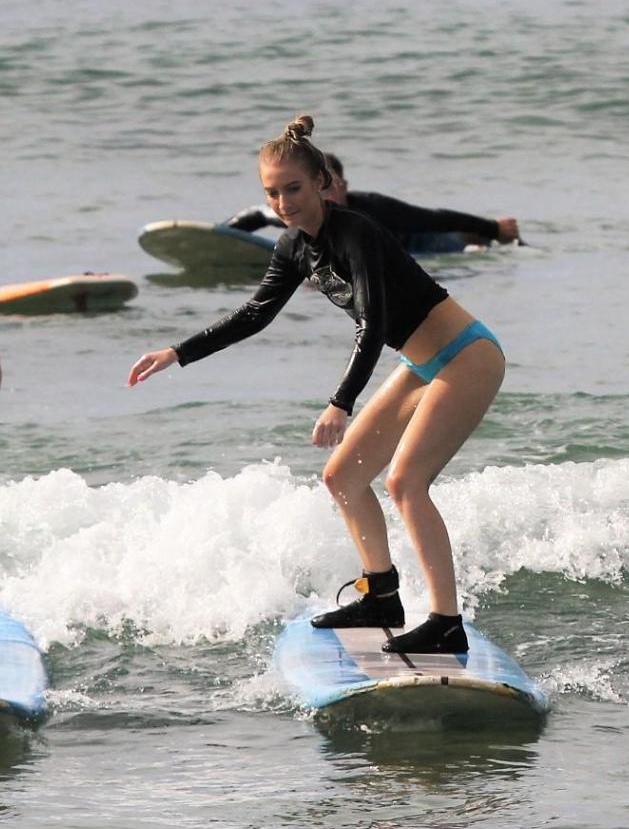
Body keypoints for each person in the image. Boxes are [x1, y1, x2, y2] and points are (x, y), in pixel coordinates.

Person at [129, 115, 506, 654]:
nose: (284, 202)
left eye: (294, 188)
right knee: (343, 476)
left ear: (323, 184)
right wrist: (177, 352)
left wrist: (340, 403)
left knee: (405, 482)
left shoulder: (357, 233)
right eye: (272, 193)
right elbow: (255, 314)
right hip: (424, 365)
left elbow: (373, 323)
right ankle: (381, 594)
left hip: (466, 356)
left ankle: (446, 621)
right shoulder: (293, 247)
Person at [225, 152, 520, 253]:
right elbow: (255, 215)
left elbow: (433, 218)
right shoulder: (295, 212)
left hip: (420, 246)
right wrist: (217, 236)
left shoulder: (372, 208)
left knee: (461, 245)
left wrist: (493, 228)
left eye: (331, 188)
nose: (325, 196)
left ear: (343, 187)